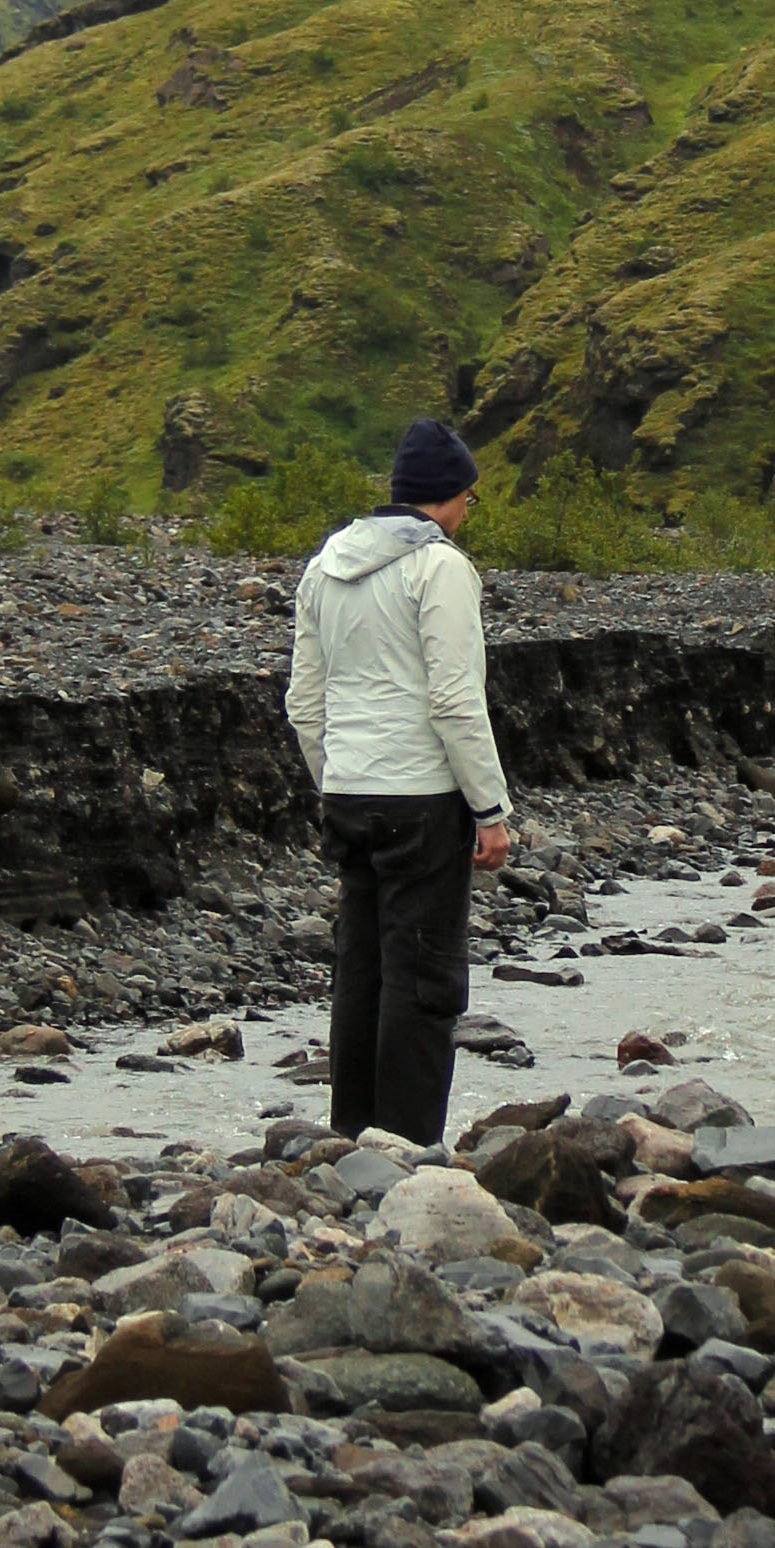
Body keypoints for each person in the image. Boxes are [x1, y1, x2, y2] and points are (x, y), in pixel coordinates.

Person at [285, 414, 515, 1145]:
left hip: (349, 793)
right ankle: (409, 1148)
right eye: (470, 499)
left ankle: (351, 1139)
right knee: (423, 978)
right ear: (449, 495)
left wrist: (335, 778)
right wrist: (490, 810)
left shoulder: (324, 566)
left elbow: (303, 702)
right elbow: (454, 700)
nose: (468, 513)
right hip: (422, 800)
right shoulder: (440, 568)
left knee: (362, 969)